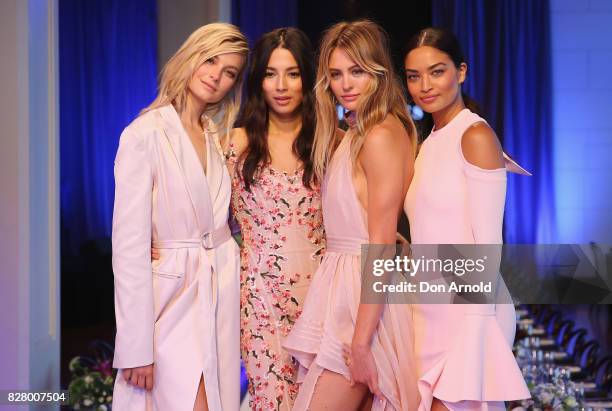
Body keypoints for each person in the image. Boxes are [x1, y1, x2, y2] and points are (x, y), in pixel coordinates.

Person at [111, 23, 248, 411]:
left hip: (217, 291)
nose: (216, 76)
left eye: (230, 73)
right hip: (168, 306)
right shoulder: (145, 134)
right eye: (210, 61)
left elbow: (222, 222)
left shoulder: (213, 138)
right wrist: (135, 346)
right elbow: (128, 248)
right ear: (190, 57)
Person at [283, 20, 419, 411]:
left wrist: (361, 343)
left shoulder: (379, 135)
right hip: (344, 293)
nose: (346, 84)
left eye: (357, 71)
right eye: (336, 74)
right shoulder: (359, 131)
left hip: (363, 304)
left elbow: (379, 244)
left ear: (378, 71)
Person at [402, 27, 530, 411]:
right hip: (428, 311)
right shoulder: (428, 142)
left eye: (436, 71)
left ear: (461, 72)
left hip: (470, 313)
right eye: (413, 76)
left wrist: (477, 331)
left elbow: (489, 245)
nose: (424, 85)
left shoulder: (473, 134)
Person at [225, 27, 325, 410]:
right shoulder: (235, 144)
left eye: (293, 73)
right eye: (270, 73)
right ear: (258, 81)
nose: (281, 85)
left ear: (308, 79)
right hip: (260, 301)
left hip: (323, 298)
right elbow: (205, 219)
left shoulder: (330, 142)